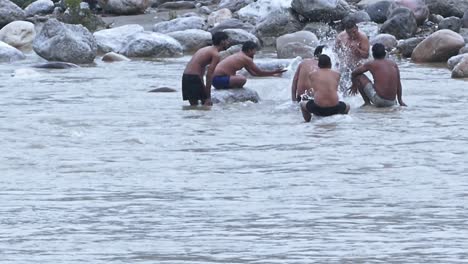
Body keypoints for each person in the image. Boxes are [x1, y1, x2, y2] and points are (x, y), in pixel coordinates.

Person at [347, 43, 407, 107]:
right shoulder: (394, 64)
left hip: (379, 100)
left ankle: (367, 103)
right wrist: (400, 101)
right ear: (384, 53)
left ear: (373, 54)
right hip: (392, 102)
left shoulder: (371, 63)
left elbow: (354, 73)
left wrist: (354, 84)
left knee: (359, 76)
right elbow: (398, 83)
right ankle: (371, 102)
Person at [212, 41, 286, 89]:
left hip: (216, 80)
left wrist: (273, 75)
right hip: (218, 79)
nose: (255, 52)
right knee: (242, 79)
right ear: (250, 50)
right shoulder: (245, 58)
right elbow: (259, 72)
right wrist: (275, 72)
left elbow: (253, 74)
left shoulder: (242, 55)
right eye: (254, 50)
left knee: (240, 78)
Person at [182, 31, 229, 106]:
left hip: (186, 77)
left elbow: (201, 68)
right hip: (194, 78)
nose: (228, 43)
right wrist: (208, 97)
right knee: (206, 105)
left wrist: (202, 85)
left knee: (193, 107)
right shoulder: (215, 54)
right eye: (227, 40)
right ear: (222, 41)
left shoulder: (205, 49)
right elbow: (209, 75)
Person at [300, 55, 350, 122]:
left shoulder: (312, 74)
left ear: (318, 64)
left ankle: (308, 122)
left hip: (318, 108)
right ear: (330, 64)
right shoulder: (337, 74)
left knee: (302, 104)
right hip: (335, 108)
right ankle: (341, 120)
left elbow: (314, 90)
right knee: (347, 106)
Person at [335, 20, 370, 91]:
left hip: (357, 65)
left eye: (354, 32)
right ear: (346, 32)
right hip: (345, 65)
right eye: (350, 33)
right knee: (342, 86)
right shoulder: (341, 37)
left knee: (358, 84)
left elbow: (366, 55)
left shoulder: (363, 38)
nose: (353, 35)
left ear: (357, 28)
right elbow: (335, 51)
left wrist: (358, 50)